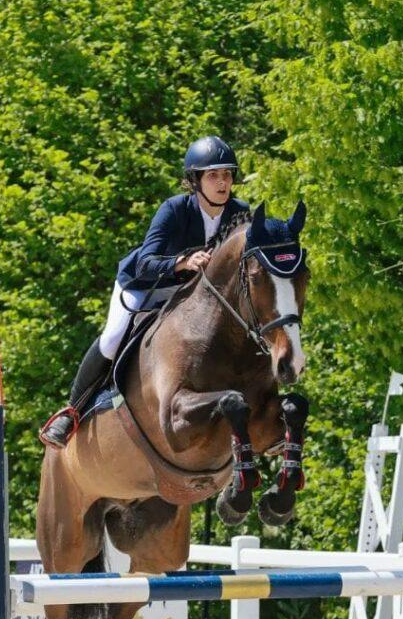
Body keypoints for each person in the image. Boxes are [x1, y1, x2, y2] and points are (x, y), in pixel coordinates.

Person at [40, 136, 250, 448]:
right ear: (195, 181)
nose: (222, 183)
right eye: (213, 175)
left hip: (189, 296)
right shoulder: (174, 210)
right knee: (113, 338)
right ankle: (71, 413)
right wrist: (181, 262)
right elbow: (145, 263)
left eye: (227, 175)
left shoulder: (240, 212)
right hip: (145, 286)